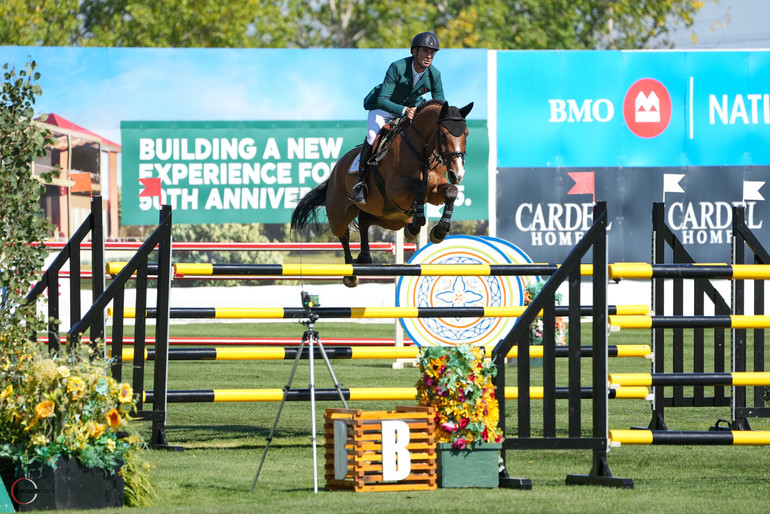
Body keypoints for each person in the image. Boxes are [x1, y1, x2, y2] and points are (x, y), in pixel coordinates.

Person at [348, 31, 446, 205]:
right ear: (414, 51)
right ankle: (361, 184)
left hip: (411, 110)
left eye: (432, 52)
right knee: (372, 136)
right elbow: (382, 99)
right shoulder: (398, 67)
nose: (429, 56)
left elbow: (440, 105)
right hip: (383, 108)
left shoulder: (434, 75)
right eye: (425, 51)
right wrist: (403, 111)